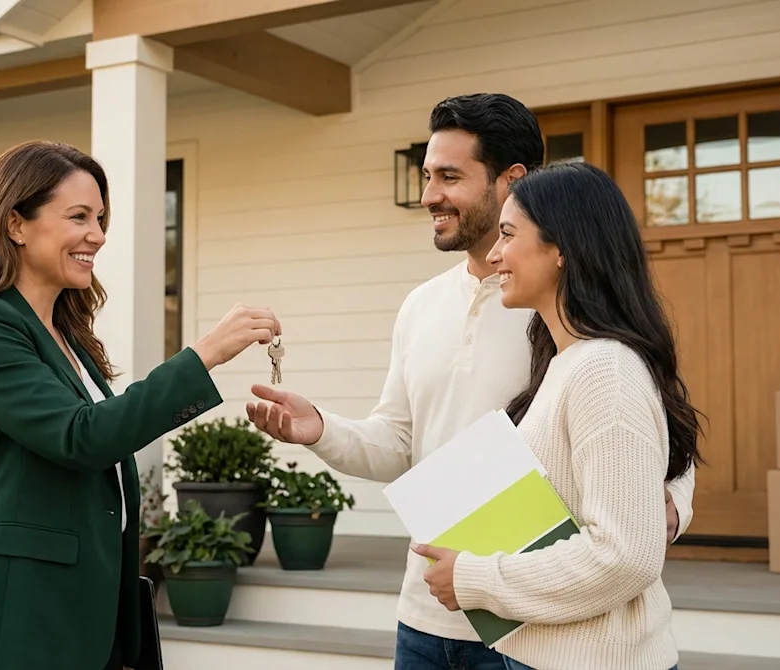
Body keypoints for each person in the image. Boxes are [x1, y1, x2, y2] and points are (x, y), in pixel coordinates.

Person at [245, 94, 696, 670]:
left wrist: (660, 515)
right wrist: (321, 430)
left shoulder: (572, 323)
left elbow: (661, 435)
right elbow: (403, 442)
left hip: (537, 620)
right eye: (428, 175)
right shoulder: (422, 305)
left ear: (511, 179)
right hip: (429, 610)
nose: (431, 194)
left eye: (450, 176)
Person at [0, 140, 280, 670]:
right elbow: (82, 437)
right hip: (16, 624)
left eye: (100, 218)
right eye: (78, 216)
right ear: (16, 223)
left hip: (84, 618)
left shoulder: (65, 333)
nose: (98, 236)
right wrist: (204, 356)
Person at [410, 161, 702, 670]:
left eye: (507, 234)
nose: (495, 254)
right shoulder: (566, 364)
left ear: (562, 248)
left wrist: (474, 578)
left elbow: (625, 558)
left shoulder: (604, 371)